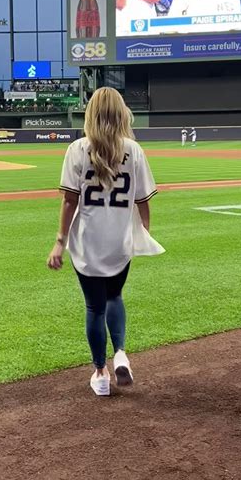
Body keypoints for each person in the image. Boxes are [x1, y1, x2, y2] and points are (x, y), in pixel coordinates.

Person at [47, 87, 163, 397]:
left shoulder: (77, 149)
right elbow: (143, 202)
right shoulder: (134, 150)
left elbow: (69, 202)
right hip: (120, 242)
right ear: (122, 113)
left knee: (94, 308)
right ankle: (121, 352)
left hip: (87, 242)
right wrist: (143, 234)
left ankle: (100, 373)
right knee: (115, 297)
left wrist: (59, 242)